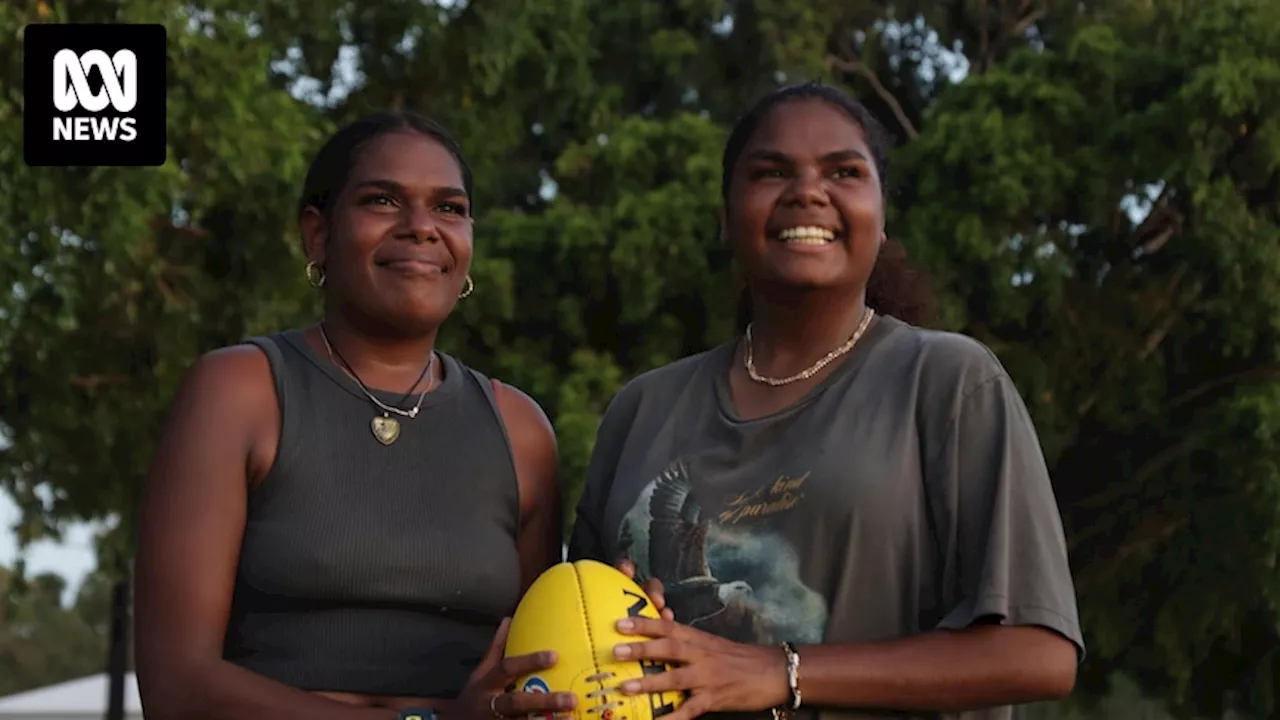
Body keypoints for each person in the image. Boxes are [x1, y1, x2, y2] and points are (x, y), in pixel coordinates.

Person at [567, 83, 1084, 720]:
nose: (807, 191)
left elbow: (1038, 652)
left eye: (844, 171)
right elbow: (581, 648)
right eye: (770, 171)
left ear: (881, 214)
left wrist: (777, 671)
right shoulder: (641, 410)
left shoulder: (947, 382)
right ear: (726, 215)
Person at [134, 111, 578, 720]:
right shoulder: (241, 390)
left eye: (449, 208)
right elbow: (176, 685)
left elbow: (538, 663)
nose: (421, 228)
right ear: (318, 235)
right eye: (383, 200)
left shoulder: (520, 429)